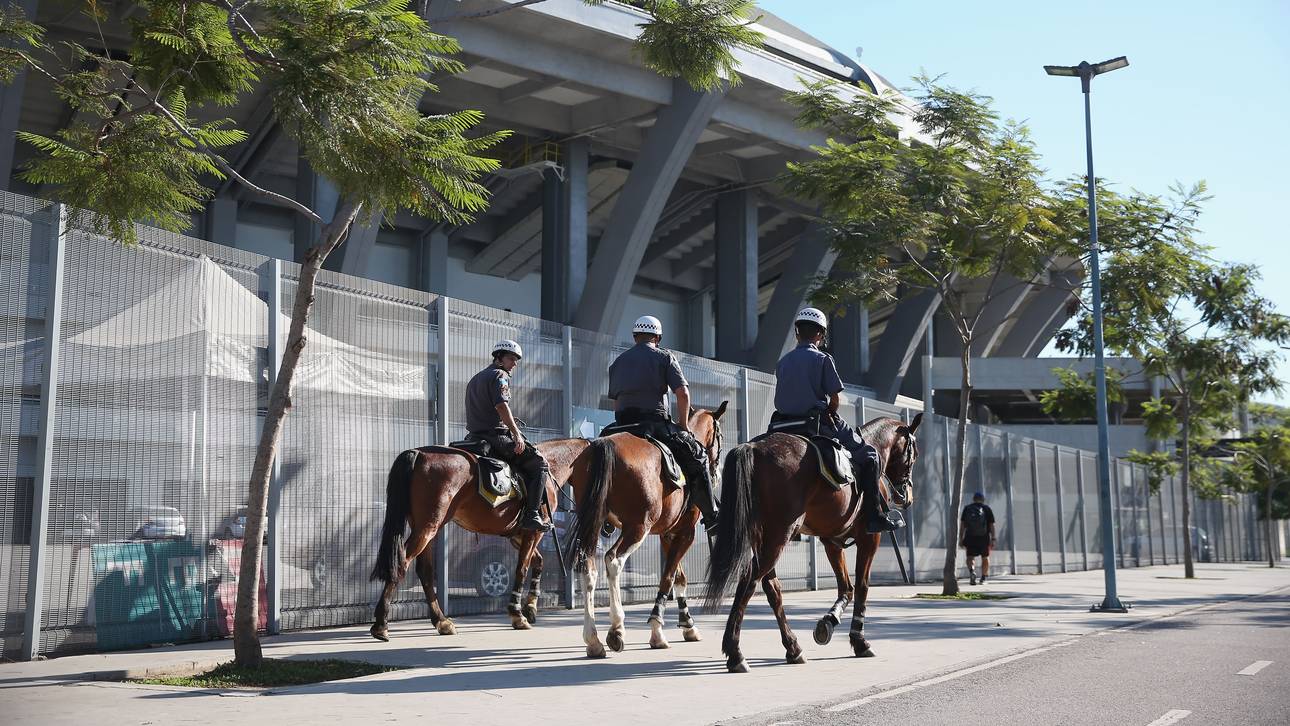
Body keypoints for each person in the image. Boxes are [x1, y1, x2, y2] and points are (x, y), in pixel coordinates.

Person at [770, 308, 903, 533]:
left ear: (797, 333)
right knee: (870, 455)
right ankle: (874, 516)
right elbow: (834, 398)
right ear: (821, 335)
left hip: (781, 424)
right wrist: (832, 411)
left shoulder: (783, 362)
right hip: (816, 423)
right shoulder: (823, 358)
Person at [607, 315, 720, 531]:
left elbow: (616, 401)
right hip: (653, 423)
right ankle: (711, 515)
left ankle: (605, 515)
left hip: (619, 425)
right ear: (657, 337)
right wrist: (684, 425)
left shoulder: (618, 362)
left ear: (634, 337)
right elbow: (683, 393)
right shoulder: (664, 357)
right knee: (698, 456)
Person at [464, 339, 551, 531]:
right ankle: (532, 515)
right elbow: (501, 406)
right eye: (511, 358)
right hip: (496, 438)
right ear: (499, 358)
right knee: (540, 464)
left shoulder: (476, 378)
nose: (515, 363)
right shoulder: (500, 375)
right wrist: (516, 434)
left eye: (516, 359)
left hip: (473, 438)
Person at [960, 492, 997, 585]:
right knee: (985, 557)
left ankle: (972, 571)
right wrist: (993, 538)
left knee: (970, 557)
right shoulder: (987, 509)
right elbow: (991, 525)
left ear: (973, 499)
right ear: (983, 499)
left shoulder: (967, 508)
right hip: (984, 537)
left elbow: (962, 525)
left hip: (970, 536)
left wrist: (961, 538)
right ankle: (983, 578)